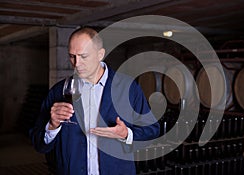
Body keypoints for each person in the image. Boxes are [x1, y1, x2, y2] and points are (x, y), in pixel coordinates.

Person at [30, 27, 160, 175]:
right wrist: (52, 125)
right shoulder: (59, 91)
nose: (76, 63)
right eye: (72, 56)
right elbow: (39, 143)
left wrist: (126, 134)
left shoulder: (128, 88)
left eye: (83, 56)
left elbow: (152, 130)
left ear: (100, 54)